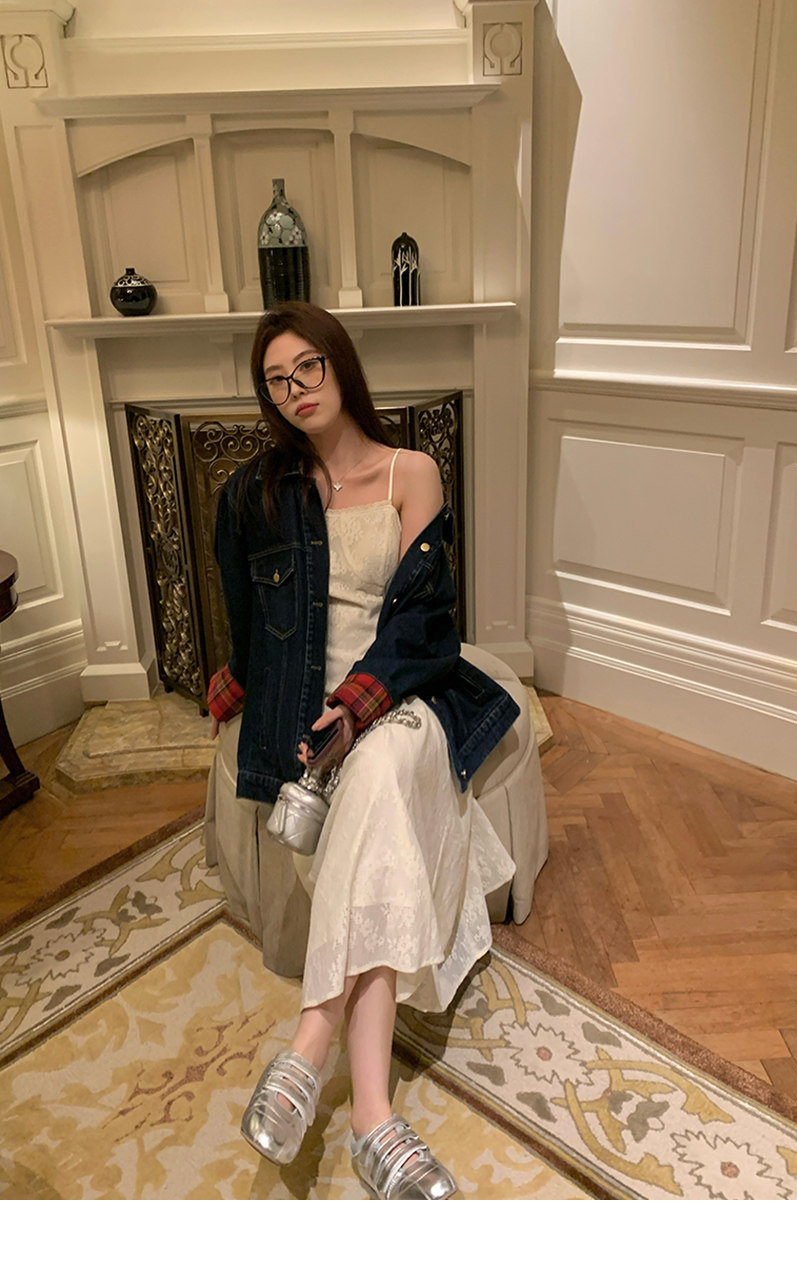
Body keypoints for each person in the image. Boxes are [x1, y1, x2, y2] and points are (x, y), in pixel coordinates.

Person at [208, 301, 519, 1200]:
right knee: (374, 807)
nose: (296, 390)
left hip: (402, 696)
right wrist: (240, 688)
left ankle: (311, 1046)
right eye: (276, 380)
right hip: (306, 724)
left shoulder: (410, 473)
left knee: (379, 762)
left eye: (308, 366)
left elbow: (427, 622)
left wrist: (358, 707)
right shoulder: (255, 495)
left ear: (339, 364)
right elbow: (243, 616)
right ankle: (373, 1119)